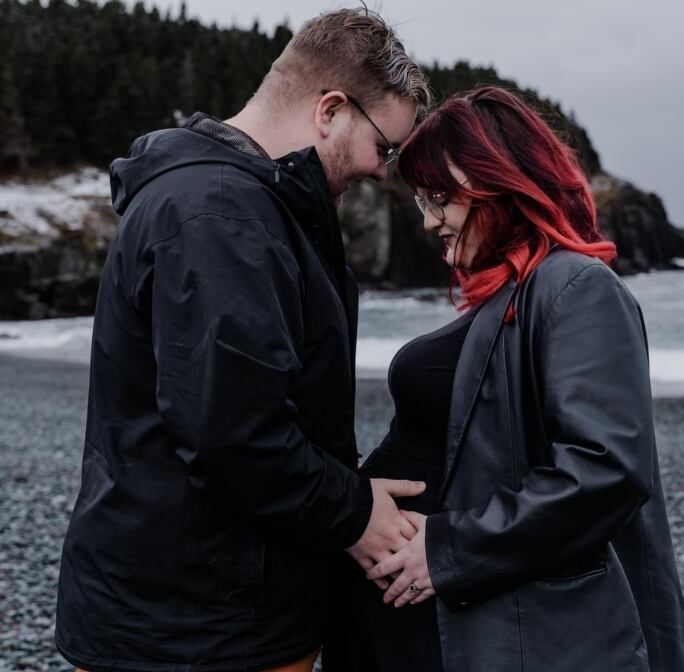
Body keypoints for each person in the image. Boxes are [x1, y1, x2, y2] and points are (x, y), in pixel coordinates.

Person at [55, 8, 431, 672]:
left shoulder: (239, 205)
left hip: (201, 612)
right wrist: (354, 514)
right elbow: (232, 429)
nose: (382, 171)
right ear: (331, 110)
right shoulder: (219, 214)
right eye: (387, 147)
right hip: (191, 632)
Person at [358, 86, 684, 672]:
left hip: (515, 624)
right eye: (421, 201)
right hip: (446, 615)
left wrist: (446, 551)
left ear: (499, 179)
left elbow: (605, 469)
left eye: (441, 196)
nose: (431, 220)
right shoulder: (509, 297)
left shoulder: (575, 287)